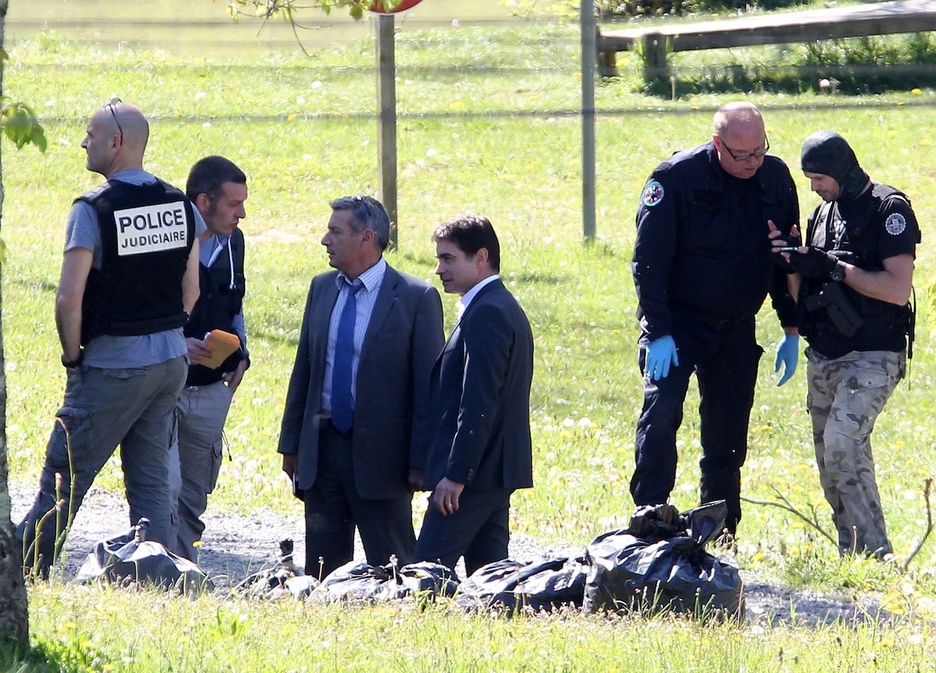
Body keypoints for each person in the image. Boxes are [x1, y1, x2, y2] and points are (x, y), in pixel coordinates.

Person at [16, 99, 201, 576]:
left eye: (90, 134)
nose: (83, 142)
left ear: (116, 143)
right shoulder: (179, 204)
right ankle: (158, 580)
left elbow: (68, 300)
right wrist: (162, 329)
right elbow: (192, 291)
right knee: (151, 484)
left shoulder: (93, 209)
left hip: (113, 364)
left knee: (63, 480)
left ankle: (21, 576)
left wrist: (73, 359)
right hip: (169, 360)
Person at [630, 101, 799, 535]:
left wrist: (790, 326)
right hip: (678, 326)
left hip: (736, 326)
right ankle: (650, 518)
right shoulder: (675, 179)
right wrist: (659, 331)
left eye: (759, 150)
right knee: (661, 416)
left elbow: (784, 258)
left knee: (728, 434)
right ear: (717, 144)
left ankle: (720, 528)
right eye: (741, 155)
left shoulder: (776, 178)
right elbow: (648, 262)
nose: (752, 162)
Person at [278, 194, 444, 578]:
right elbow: (305, 369)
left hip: (383, 460)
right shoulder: (322, 288)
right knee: (323, 571)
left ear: (366, 238)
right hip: (323, 451)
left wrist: (421, 459)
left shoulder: (415, 298)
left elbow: (428, 388)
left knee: (395, 570)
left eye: (335, 232)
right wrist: (292, 444)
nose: (325, 240)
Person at [779, 131, 919, 558]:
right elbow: (805, 291)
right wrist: (792, 261)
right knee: (830, 459)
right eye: (809, 179)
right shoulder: (823, 214)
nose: (814, 188)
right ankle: (852, 553)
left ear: (841, 170)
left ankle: (875, 555)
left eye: (820, 178)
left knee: (843, 442)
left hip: (874, 354)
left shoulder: (888, 209)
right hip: (825, 355)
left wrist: (834, 267)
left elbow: (897, 289)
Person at [414, 214, 534, 576]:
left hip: (475, 476)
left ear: (481, 258)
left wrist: (457, 475)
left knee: (425, 574)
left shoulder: (488, 312)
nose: (439, 269)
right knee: (491, 581)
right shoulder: (498, 306)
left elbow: (479, 402)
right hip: (492, 473)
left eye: (448, 258)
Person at [167, 156, 250, 561]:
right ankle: (151, 575)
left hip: (211, 391)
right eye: (234, 204)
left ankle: (182, 577)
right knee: (161, 491)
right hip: (165, 387)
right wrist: (176, 344)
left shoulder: (234, 241)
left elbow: (237, 304)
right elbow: (141, 309)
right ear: (203, 202)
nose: (242, 214)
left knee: (193, 499)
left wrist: (242, 352)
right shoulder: (168, 238)